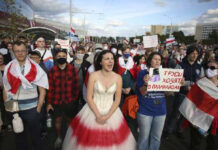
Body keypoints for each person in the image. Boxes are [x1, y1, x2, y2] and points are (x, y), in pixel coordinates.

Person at [62, 50, 136, 150]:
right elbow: (88, 97)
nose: (110, 61)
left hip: (112, 112)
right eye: (107, 59)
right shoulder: (93, 75)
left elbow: (117, 100)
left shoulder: (118, 77)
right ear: (100, 62)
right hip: (92, 110)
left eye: (112, 59)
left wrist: (107, 116)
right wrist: (98, 115)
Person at [2, 41, 48, 150]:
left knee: (36, 139)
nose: (20, 53)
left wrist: (38, 109)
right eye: (17, 51)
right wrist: (8, 107)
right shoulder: (9, 67)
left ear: (27, 51)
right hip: (15, 110)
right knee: (19, 138)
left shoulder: (36, 68)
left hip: (32, 110)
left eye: (22, 50)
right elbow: (5, 88)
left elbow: (43, 91)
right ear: (13, 52)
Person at [179, 60, 218, 150]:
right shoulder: (201, 83)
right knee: (195, 144)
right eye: (207, 67)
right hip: (199, 119)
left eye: (212, 68)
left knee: (213, 145)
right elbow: (192, 102)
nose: (209, 69)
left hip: (215, 122)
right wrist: (192, 119)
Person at [47, 49, 79, 149]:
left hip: (69, 100)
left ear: (66, 57)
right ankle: (59, 138)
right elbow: (50, 87)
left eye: (63, 56)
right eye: (59, 55)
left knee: (69, 121)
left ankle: (69, 139)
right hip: (56, 100)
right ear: (56, 57)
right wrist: (49, 103)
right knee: (58, 120)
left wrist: (74, 100)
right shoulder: (52, 70)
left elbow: (76, 87)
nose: (61, 57)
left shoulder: (73, 69)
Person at [136, 52, 166, 150]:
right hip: (145, 110)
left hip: (160, 111)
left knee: (156, 138)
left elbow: (169, 93)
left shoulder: (164, 74)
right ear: (150, 60)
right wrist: (146, 83)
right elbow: (142, 92)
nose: (157, 61)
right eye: (155, 59)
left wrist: (176, 84)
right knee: (144, 137)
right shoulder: (142, 73)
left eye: (159, 59)